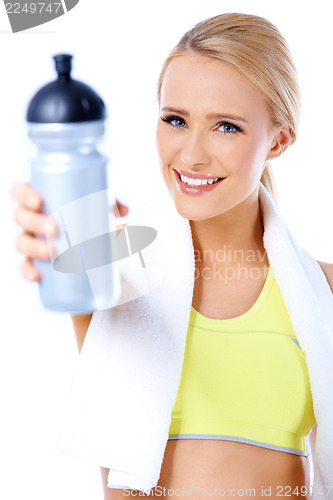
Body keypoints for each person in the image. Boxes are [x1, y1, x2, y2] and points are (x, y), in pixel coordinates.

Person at [11, 12, 333, 500]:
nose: (191, 155)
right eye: (175, 120)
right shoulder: (114, 272)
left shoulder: (323, 293)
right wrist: (56, 237)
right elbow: (66, 263)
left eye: (226, 127)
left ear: (279, 140)